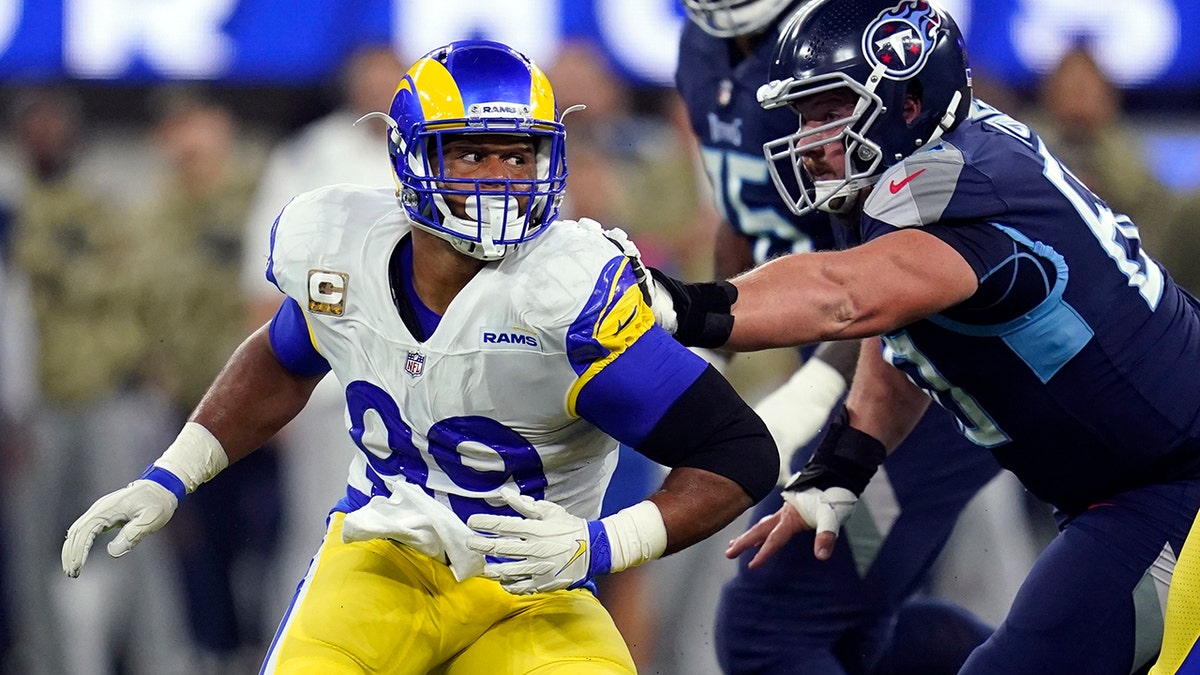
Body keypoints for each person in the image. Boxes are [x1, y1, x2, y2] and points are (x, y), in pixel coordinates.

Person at [60, 39, 778, 673]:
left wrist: (602, 543)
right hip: (380, 559)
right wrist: (173, 474)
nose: (501, 178)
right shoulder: (342, 246)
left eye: (518, 155)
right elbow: (284, 357)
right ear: (410, 157)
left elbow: (739, 450)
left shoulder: (567, 289)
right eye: (471, 153)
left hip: (530, 589)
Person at [649, 1, 1200, 673]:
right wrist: (847, 460)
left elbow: (845, 297)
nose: (812, 139)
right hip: (1123, 483)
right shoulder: (904, 169)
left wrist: (673, 302)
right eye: (804, 115)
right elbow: (900, 331)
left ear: (909, 102)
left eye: (832, 111)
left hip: (1172, 480)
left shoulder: (959, 185)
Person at [676, 0, 1005, 671]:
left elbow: (889, 275)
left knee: (767, 626)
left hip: (922, 387)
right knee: (843, 633)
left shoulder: (854, 47)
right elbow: (741, 209)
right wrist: (708, 357)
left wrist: (806, 399)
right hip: (850, 373)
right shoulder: (704, 46)